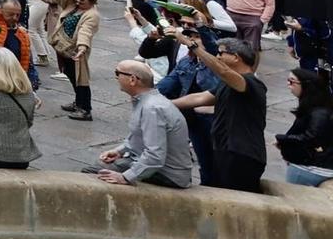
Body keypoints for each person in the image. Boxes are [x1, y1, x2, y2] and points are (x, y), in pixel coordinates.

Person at [168, 35, 266, 191]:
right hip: (225, 150)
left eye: (221, 53)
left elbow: (224, 72)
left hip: (241, 154)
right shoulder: (227, 84)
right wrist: (164, 104)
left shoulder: (250, 83)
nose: (218, 56)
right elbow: (200, 97)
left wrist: (194, 47)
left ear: (236, 57)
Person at [89, 60, 194, 188]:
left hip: (168, 175)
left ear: (132, 79)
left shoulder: (152, 108)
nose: (116, 77)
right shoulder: (147, 101)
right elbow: (140, 137)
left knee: (94, 173)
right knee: (99, 166)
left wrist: (125, 177)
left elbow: (155, 156)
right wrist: (120, 151)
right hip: (155, 165)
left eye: (118, 73)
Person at [49, 0, 100, 121]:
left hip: (76, 51)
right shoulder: (72, 5)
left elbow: (86, 31)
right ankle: (78, 103)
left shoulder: (92, 15)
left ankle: (85, 109)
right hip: (63, 47)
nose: (78, 1)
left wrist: (82, 47)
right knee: (71, 75)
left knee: (81, 80)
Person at [276, 67, 333, 187]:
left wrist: (283, 139)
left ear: (306, 86)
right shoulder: (314, 108)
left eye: (292, 81)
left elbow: (312, 137)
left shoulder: (319, 112)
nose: (288, 84)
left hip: (310, 168)